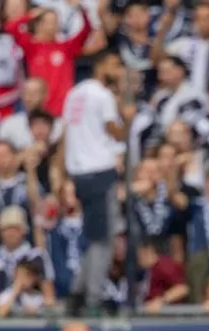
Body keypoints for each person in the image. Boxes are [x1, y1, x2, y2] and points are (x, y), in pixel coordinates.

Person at [62, 51, 131, 315]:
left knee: (95, 237)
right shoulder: (103, 95)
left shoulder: (75, 93)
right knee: (105, 239)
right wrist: (124, 102)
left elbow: (68, 133)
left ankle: (78, 293)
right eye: (114, 64)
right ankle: (93, 298)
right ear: (102, 67)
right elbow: (117, 130)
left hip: (80, 172)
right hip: (100, 170)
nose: (118, 70)